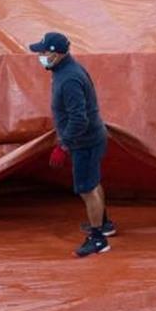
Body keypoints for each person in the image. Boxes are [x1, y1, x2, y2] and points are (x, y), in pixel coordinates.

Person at [30, 32, 116, 257]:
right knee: (94, 182)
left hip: (84, 142)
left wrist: (63, 145)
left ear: (55, 54)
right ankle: (104, 224)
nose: (39, 56)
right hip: (93, 137)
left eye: (43, 52)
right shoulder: (65, 70)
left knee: (87, 189)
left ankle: (98, 240)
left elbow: (79, 118)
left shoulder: (68, 79)